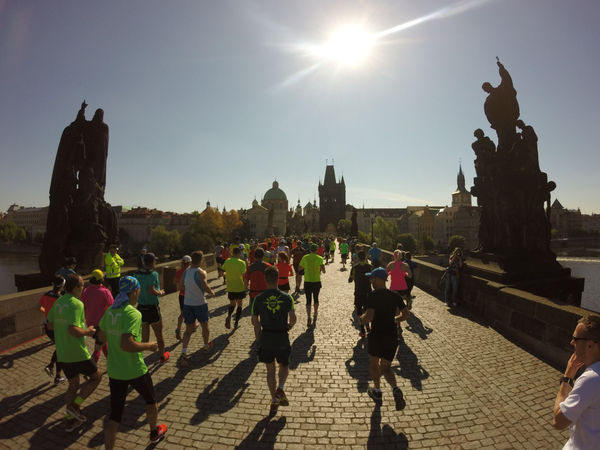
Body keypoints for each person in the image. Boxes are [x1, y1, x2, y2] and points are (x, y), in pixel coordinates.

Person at [98, 276, 167, 448]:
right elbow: (127, 344)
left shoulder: (110, 311)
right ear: (135, 291)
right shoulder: (133, 313)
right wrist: (149, 346)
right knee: (150, 400)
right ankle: (153, 433)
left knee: (115, 415)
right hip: (135, 369)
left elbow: (100, 336)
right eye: (138, 291)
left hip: (115, 370)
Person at [46, 274, 102, 431]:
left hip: (63, 353)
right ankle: (75, 406)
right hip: (77, 352)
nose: (83, 289)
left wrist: (61, 331)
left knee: (73, 384)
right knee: (97, 377)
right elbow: (74, 330)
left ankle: (71, 420)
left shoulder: (58, 302)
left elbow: (50, 325)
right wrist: (88, 331)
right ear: (76, 288)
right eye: (82, 286)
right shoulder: (77, 304)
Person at [360, 267, 409, 409]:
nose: (370, 280)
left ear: (378, 279)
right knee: (386, 368)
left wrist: (361, 319)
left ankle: (377, 390)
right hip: (392, 337)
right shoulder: (395, 296)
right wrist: (395, 319)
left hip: (377, 336)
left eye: (372, 278)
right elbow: (406, 315)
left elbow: (369, 317)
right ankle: (395, 389)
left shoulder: (373, 296)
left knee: (374, 365)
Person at [251, 266, 297, 413]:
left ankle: (274, 398)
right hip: (282, 336)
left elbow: (255, 322)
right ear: (277, 279)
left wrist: (259, 338)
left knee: (270, 371)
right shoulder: (287, 297)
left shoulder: (258, 299)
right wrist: (288, 327)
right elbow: (293, 319)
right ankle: (281, 389)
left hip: (267, 337)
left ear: (265, 280)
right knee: (284, 365)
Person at [552, 315, 600, 449]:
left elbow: (558, 421)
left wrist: (567, 377)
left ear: (590, 345)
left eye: (575, 339)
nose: (571, 342)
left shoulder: (591, 379)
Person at [179, 251, 216, 367]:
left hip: (187, 304)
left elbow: (181, 286)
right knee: (205, 326)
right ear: (201, 260)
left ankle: (184, 351)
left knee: (188, 330)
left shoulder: (186, 272)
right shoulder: (201, 272)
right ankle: (206, 346)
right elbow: (204, 286)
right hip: (200, 303)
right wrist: (212, 292)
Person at [133, 253, 169, 363]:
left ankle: (137, 358)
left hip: (141, 308)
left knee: (144, 338)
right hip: (152, 308)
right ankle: (162, 356)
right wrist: (161, 292)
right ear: (151, 262)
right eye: (155, 261)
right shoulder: (153, 274)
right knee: (159, 335)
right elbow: (151, 291)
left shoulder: (136, 275)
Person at [81, 269, 114, 362]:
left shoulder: (86, 290)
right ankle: (92, 367)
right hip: (103, 323)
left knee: (102, 343)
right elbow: (112, 307)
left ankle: (111, 361)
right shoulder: (105, 291)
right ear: (101, 280)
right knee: (99, 345)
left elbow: (83, 306)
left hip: (90, 323)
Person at [40, 275, 67, 384]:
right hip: (57, 327)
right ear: (62, 286)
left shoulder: (46, 294)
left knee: (60, 349)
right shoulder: (60, 299)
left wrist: (47, 313)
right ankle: (53, 370)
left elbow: (41, 306)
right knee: (61, 350)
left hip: (47, 326)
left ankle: (55, 372)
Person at [299, 243, 326, 327]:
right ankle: (315, 313)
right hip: (316, 281)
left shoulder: (305, 257)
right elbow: (324, 270)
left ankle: (308, 316)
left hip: (307, 281)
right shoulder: (320, 258)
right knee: (316, 298)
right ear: (317, 250)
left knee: (308, 300)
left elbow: (299, 268)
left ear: (310, 250)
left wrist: (306, 268)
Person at [348, 250, 373, 338]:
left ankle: (362, 330)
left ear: (358, 257)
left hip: (358, 291)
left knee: (359, 310)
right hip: (368, 291)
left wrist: (355, 278)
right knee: (367, 309)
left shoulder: (355, 267)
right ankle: (368, 325)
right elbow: (371, 277)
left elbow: (350, 280)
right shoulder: (370, 267)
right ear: (365, 257)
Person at [222, 247, 247, 329]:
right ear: (239, 253)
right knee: (239, 304)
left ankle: (229, 316)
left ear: (232, 253)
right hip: (239, 286)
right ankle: (236, 322)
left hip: (230, 287)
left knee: (232, 304)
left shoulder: (227, 261)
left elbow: (223, 270)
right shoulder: (241, 262)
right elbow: (244, 275)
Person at [245, 248, 271, 314]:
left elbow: (246, 281)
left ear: (254, 256)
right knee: (266, 312)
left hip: (254, 293)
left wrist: (246, 288)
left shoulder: (250, 267)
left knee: (255, 314)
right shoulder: (268, 266)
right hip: (266, 293)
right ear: (263, 256)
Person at [174, 255, 192, 340]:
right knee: (191, 312)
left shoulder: (179, 272)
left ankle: (178, 328)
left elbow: (176, 284)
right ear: (189, 263)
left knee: (182, 313)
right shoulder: (190, 272)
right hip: (190, 295)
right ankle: (191, 328)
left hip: (181, 296)